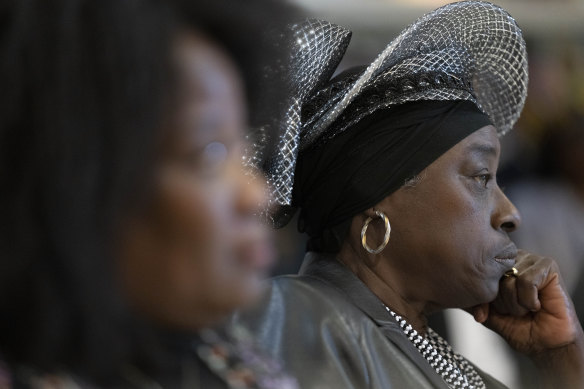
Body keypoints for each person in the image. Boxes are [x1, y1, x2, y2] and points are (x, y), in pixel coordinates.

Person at [234, 2, 584, 388]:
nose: (510, 213)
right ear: (376, 199)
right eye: (481, 177)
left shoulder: (439, 356)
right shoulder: (298, 318)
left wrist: (561, 359)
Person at [0, 0, 298, 387]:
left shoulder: (220, 357)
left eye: (243, 149)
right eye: (208, 154)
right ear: (68, 182)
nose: (257, 196)